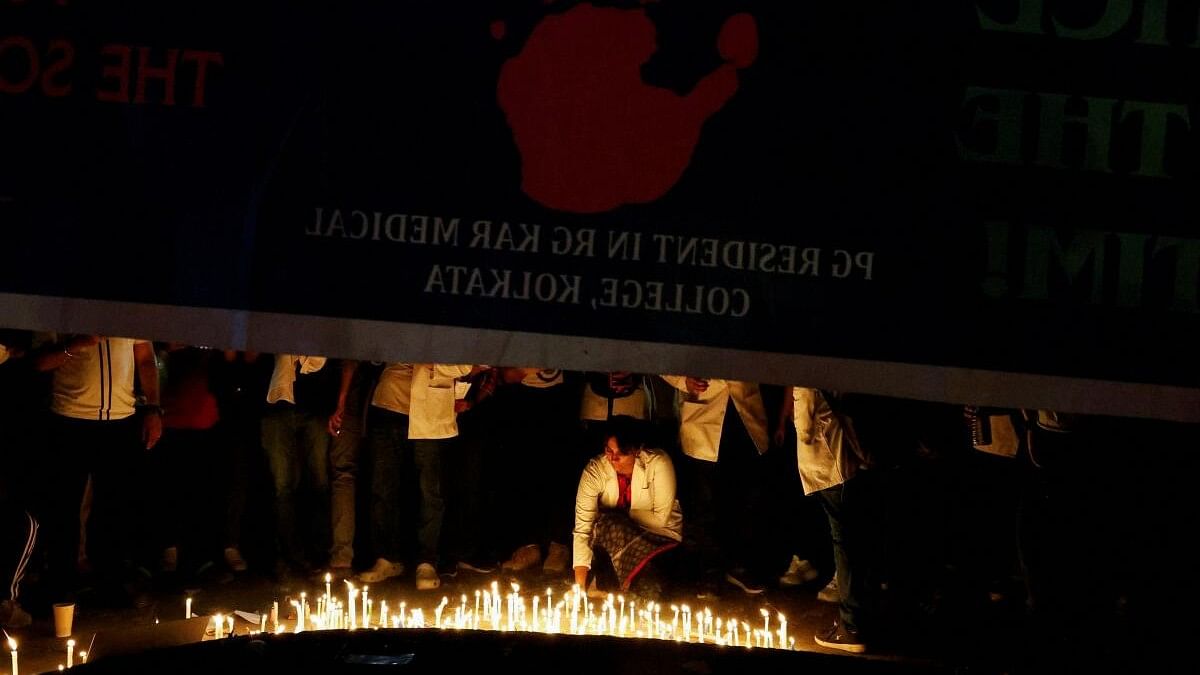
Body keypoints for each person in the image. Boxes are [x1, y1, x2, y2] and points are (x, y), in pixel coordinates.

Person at [34, 334, 162, 606]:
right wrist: (77, 344)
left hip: (120, 420)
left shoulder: (129, 309)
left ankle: (110, 582)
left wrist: (153, 408)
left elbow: (146, 359)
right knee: (64, 508)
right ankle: (61, 586)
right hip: (69, 418)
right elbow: (41, 362)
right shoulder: (64, 309)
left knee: (114, 508)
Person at [572, 416, 682, 599]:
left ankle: (637, 583)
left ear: (637, 450)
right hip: (616, 537)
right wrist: (579, 587)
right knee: (607, 526)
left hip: (658, 536)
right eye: (608, 451)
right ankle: (611, 585)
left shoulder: (658, 463)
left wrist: (621, 514)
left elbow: (661, 518)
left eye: (621, 453)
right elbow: (583, 527)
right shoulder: (595, 471)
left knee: (610, 523)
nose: (613, 459)